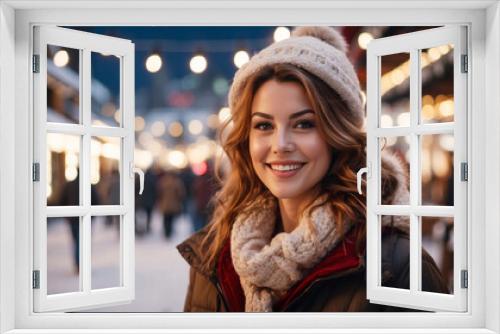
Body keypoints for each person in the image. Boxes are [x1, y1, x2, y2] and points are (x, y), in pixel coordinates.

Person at [177, 27, 448, 312]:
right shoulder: (215, 256)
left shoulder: (395, 268)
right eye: (264, 125)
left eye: (304, 123)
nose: (280, 145)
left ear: (338, 134)